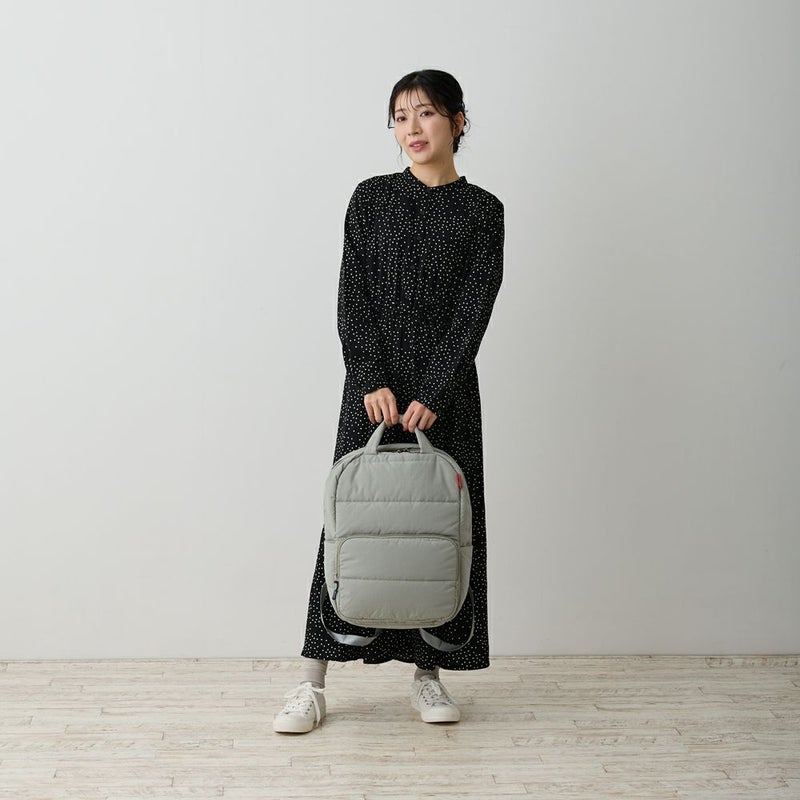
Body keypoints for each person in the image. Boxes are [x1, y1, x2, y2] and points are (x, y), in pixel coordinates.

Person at [273, 68, 505, 733]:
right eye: (400, 117)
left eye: (425, 113)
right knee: (353, 522)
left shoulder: (483, 210)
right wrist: (370, 376)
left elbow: (475, 307)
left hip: (445, 392)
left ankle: (428, 676)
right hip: (372, 389)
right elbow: (352, 295)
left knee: (436, 529)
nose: (412, 128)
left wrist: (435, 389)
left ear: (458, 121)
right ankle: (311, 682)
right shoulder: (371, 198)